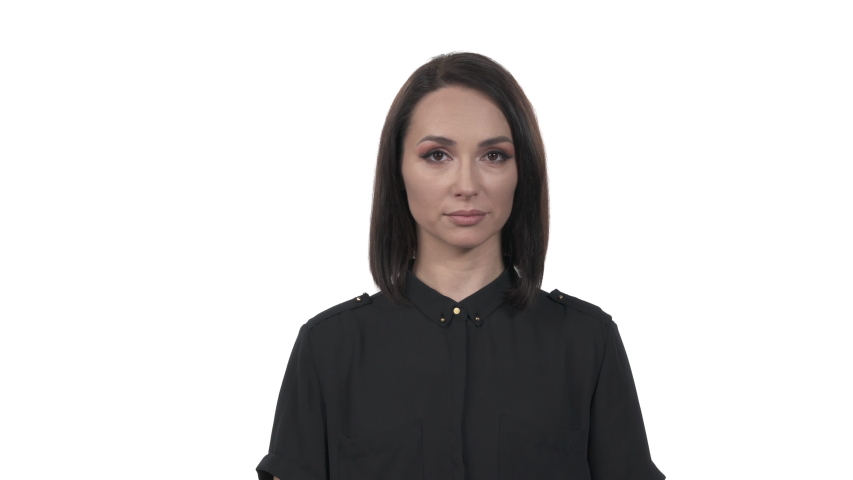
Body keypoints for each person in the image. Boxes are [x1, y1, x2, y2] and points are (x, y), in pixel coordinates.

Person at [256, 52, 665, 480]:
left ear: (522, 171)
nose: (467, 185)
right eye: (437, 156)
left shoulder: (586, 343)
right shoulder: (330, 349)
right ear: (398, 170)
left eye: (494, 156)